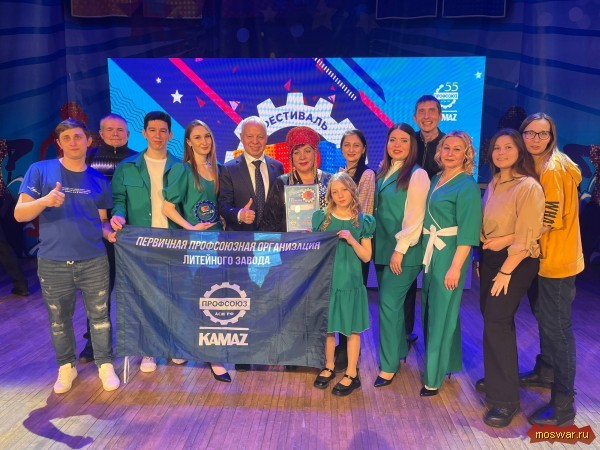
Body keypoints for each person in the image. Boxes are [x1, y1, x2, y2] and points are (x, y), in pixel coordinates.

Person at [14, 118, 120, 393]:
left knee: (100, 317)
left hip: (94, 260)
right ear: (59, 143)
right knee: (59, 320)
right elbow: (20, 214)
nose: (73, 142)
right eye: (67, 138)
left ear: (89, 141)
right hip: (53, 261)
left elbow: (101, 221)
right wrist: (45, 201)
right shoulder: (40, 170)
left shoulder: (99, 180)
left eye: (78, 137)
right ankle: (66, 367)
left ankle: (105, 364)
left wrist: (110, 233)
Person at [518, 113, 584, 426]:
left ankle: (564, 404)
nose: (535, 139)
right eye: (529, 133)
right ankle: (545, 371)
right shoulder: (536, 164)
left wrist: (516, 241)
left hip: (556, 261)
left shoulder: (554, 168)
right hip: (542, 258)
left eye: (542, 134)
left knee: (558, 329)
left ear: (552, 136)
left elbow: (549, 218)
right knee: (544, 317)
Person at [477, 129, 544, 427]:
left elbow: (528, 234)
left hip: (516, 260)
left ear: (519, 151)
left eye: (508, 147)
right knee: (493, 320)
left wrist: (505, 269)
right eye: (496, 148)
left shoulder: (528, 186)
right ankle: (498, 380)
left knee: (497, 321)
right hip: (492, 258)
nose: (501, 153)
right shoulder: (494, 182)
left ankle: (505, 401)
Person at [111, 111, 180, 373]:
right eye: (152, 130)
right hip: (141, 244)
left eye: (163, 131)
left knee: (172, 295)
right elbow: (119, 200)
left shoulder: (181, 167)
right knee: (144, 297)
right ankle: (149, 350)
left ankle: (174, 345)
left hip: (173, 242)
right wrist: (118, 215)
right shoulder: (126, 167)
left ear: (170, 135)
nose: (158, 135)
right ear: (144, 133)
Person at [161, 119, 230, 382]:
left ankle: (211, 353)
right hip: (196, 245)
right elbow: (168, 207)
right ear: (188, 142)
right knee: (195, 298)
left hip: (219, 243)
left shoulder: (219, 169)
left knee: (215, 298)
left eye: (207, 136)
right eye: (198, 137)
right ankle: (193, 349)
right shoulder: (182, 170)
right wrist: (190, 228)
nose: (204, 141)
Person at [218, 116, 284, 371]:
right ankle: (243, 354)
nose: (255, 141)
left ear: (266, 139)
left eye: (260, 137)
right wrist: (238, 214)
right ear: (242, 138)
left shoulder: (278, 167)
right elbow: (223, 205)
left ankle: (266, 349)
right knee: (242, 298)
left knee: (268, 298)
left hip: (270, 244)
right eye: (250, 137)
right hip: (241, 244)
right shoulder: (228, 168)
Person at [419, 130, 482, 396]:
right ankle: (449, 363)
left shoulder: (467, 185)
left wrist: (456, 267)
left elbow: (468, 231)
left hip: (450, 253)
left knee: (441, 314)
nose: (450, 153)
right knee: (434, 309)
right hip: (431, 250)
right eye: (447, 148)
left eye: (457, 149)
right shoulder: (436, 178)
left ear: (466, 154)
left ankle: (433, 378)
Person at [373, 123, 430, 387]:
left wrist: (400, 250)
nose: (397, 145)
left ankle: (387, 367)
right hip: (383, 249)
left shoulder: (418, 175)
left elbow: (415, 217)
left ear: (412, 145)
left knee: (388, 306)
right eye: (393, 140)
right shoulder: (384, 172)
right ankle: (397, 352)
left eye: (404, 140)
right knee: (391, 307)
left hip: (403, 252)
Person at [79, 113, 137, 363]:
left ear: (128, 134)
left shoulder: (138, 159)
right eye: (110, 130)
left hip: (132, 236)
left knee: (136, 290)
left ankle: (142, 341)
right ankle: (94, 342)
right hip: (98, 236)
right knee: (99, 291)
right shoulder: (87, 159)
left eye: (120, 130)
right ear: (100, 134)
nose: (115, 134)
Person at [312, 172, 375, 396]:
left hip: (351, 283)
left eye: (344, 190)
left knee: (352, 330)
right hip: (328, 282)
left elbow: (366, 256)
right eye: (335, 192)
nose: (340, 195)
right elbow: (316, 250)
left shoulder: (363, 221)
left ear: (352, 190)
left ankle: (351, 372)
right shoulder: (322, 218)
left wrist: (351, 239)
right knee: (329, 329)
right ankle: (329, 366)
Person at [403, 95, 447, 346]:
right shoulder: (409, 142)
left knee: (434, 285)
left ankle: (435, 340)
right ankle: (405, 333)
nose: (427, 116)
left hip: (438, 225)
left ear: (440, 115)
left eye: (432, 111)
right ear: (415, 117)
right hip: (411, 222)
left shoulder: (449, 144)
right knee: (407, 283)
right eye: (422, 111)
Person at [334, 129, 376, 372]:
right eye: (347, 145)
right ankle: (341, 348)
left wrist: (353, 239)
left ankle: (350, 356)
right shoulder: (340, 173)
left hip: (356, 244)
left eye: (356, 145)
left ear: (363, 149)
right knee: (339, 297)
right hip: (340, 243)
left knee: (351, 300)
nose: (351, 149)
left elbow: (364, 212)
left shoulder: (367, 175)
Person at [261, 126, 331, 232]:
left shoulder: (330, 181)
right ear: (291, 157)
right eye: (296, 153)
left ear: (315, 153)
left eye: (307, 151)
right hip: (291, 241)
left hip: (325, 241)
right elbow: (269, 223)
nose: (302, 157)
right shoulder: (282, 183)